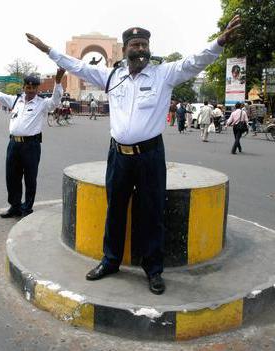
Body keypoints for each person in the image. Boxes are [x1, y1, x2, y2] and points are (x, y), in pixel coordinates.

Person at [26, 15, 240, 295]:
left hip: (150, 156)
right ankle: (110, 260)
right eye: (135, 44)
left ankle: (153, 270)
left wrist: (219, 42)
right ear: (125, 49)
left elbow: (193, 62)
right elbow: (76, 65)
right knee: (114, 208)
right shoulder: (111, 76)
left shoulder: (165, 73)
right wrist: (47, 49)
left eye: (144, 44)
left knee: (152, 212)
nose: (141, 49)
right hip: (118, 156)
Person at [0, 69, 65, 218]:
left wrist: (58, 82)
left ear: (37, 89)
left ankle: (27, 208)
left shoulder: (42, 103)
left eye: (33, 88)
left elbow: (55, 101)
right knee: (12, 177)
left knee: (30, 178)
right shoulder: (15, 100)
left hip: (31, 146)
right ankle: (15, 206)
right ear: (24, 87)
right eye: (28, 88)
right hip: (13, 145)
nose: (30, 91)